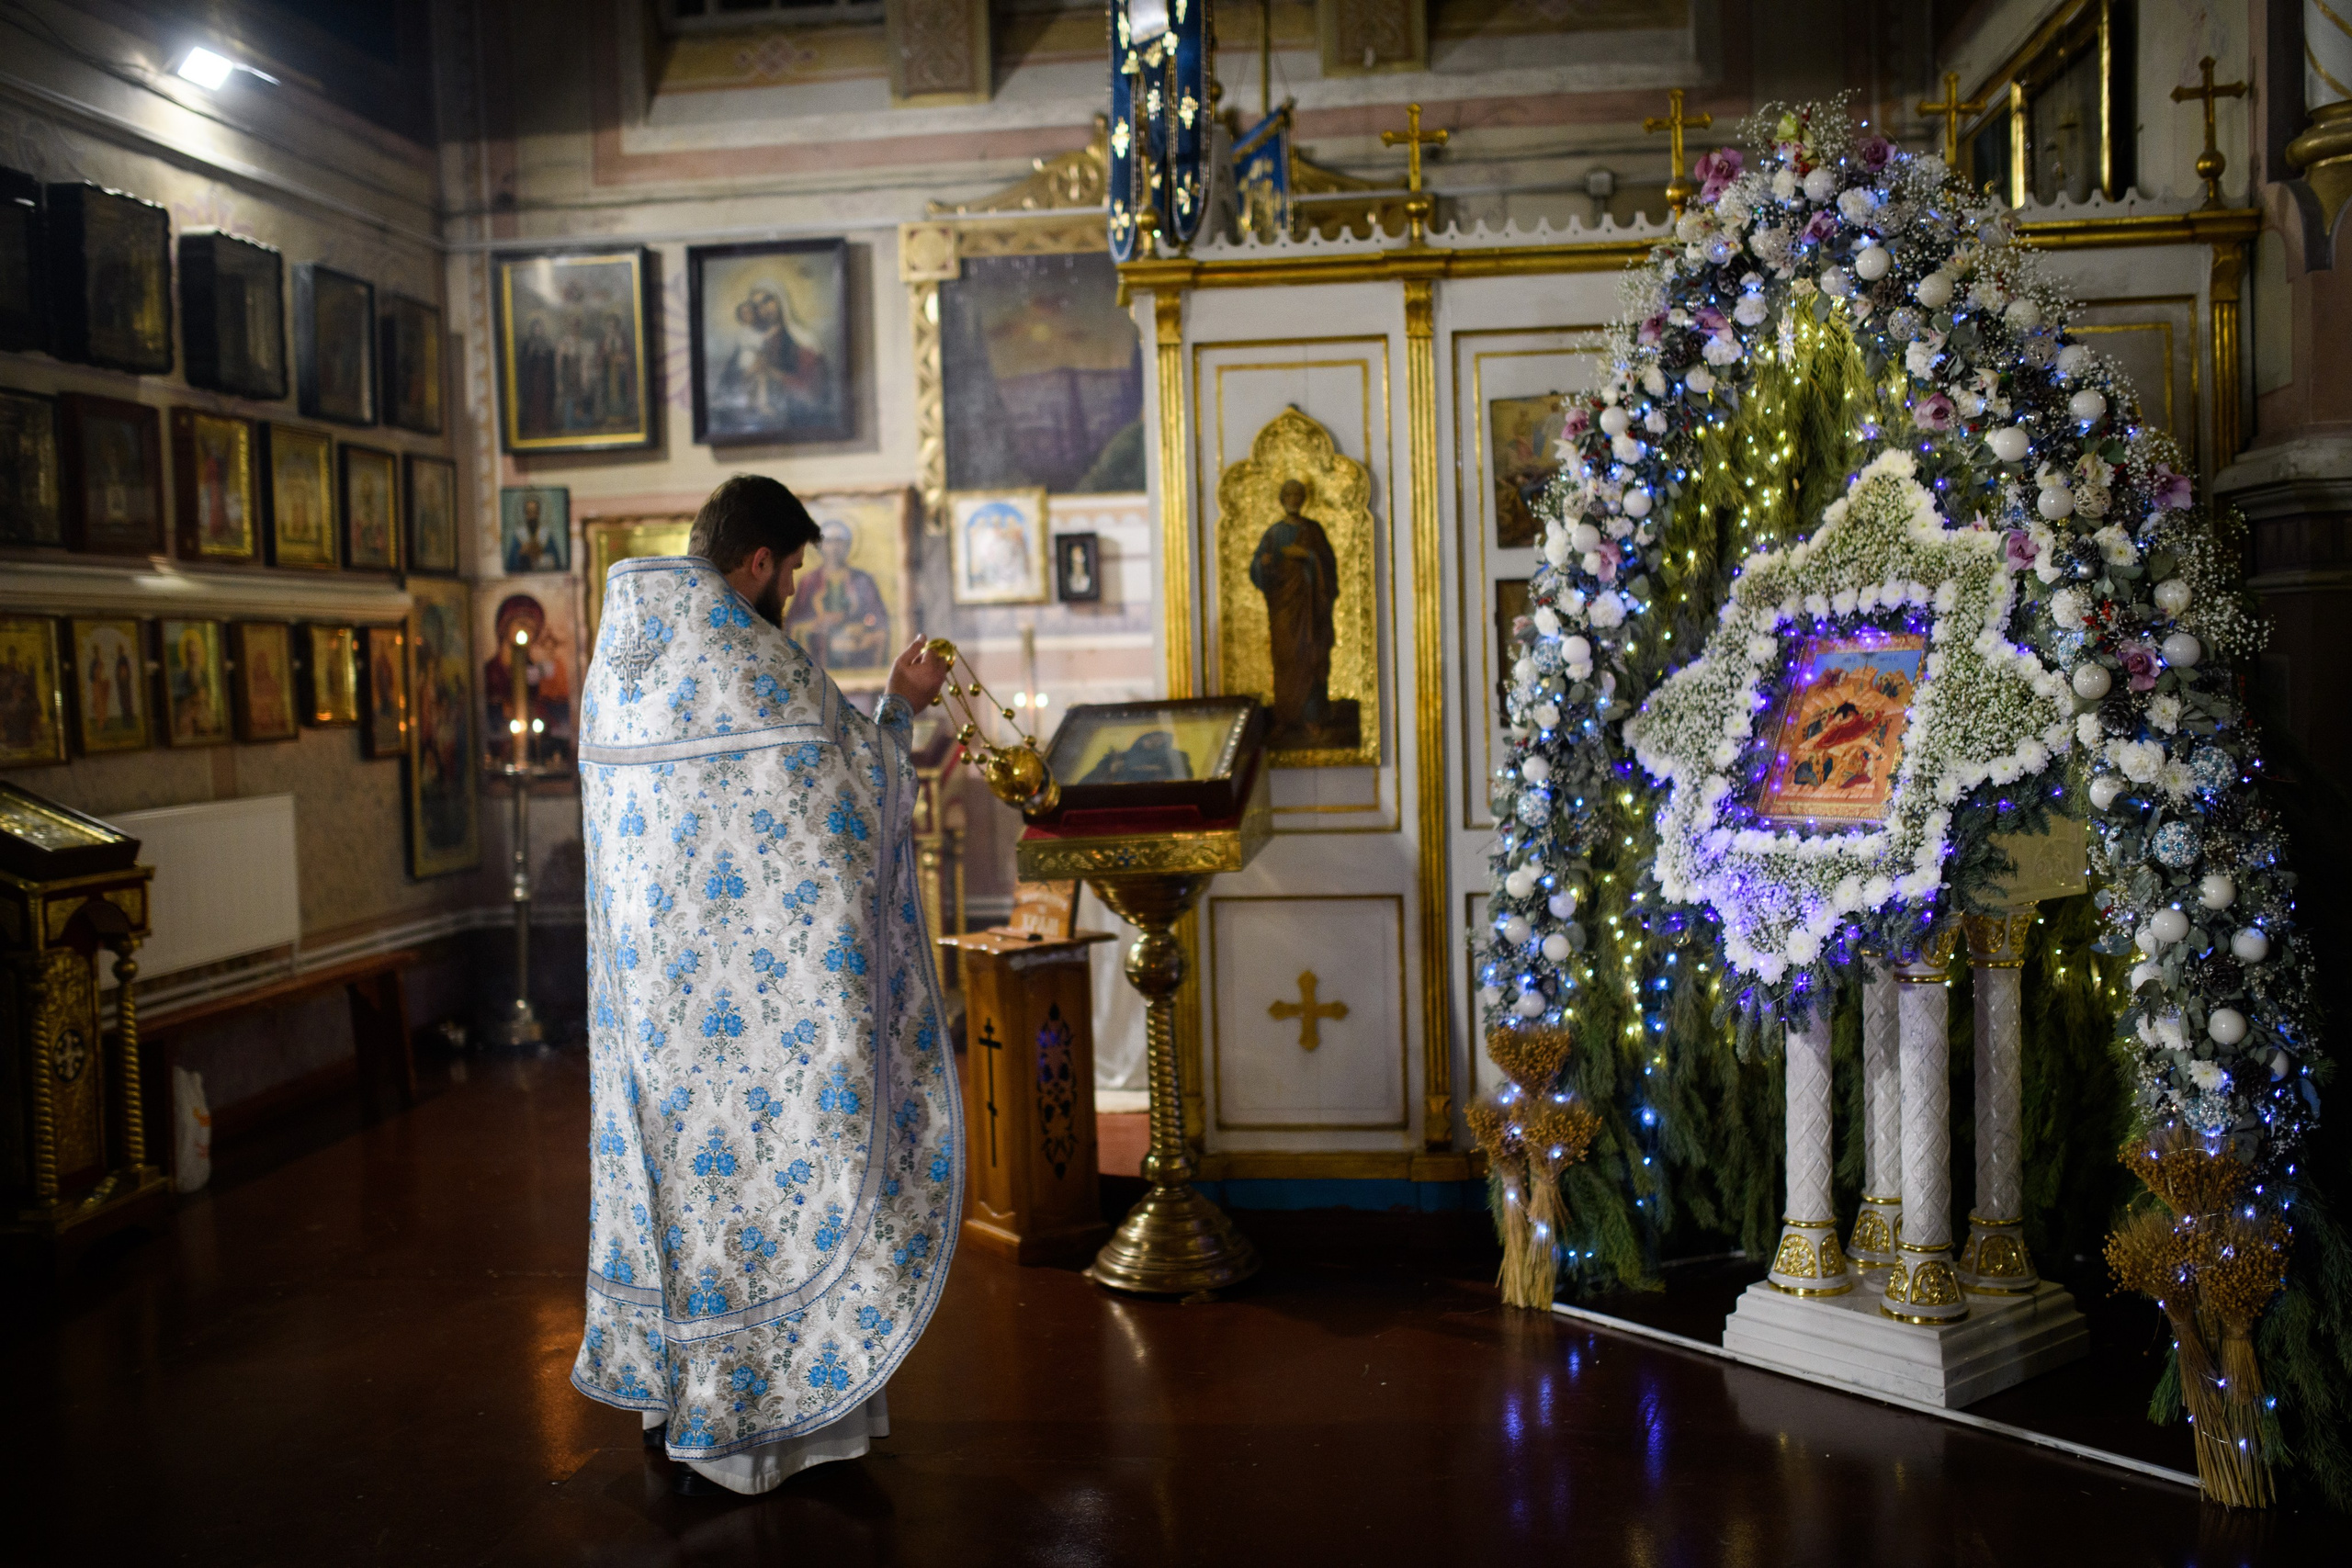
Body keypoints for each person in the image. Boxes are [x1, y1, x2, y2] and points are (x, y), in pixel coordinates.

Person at [571, 473, 957, 1500]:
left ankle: (674, 1400)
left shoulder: (623, 657)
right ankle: (768, 1434)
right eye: (787, 571)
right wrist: (901, 717)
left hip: (655, 1021)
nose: (788, 589)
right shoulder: (754, 658)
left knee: (675, 1198)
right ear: (758, 563)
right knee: (763, 1193)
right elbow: (850, 797)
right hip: (752, 1036)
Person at [1250, 479, 1347, 749]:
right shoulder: (1273, 533)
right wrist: (1263, 565)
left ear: (1303, 499)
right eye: (1288, 494)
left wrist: (1307, 555)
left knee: (1310, 654)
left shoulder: (1313, 530)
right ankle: (1285, 717)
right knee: (1285, 658)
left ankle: (1312, 717)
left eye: (1297, 494)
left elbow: (1328, 566)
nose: (1293, 498)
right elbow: (1258, 568)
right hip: (1283, 609)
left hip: (1310, 608)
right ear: (1282, 498)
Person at [781, 518, 888, 671]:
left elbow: (878, 619)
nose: (834, 547)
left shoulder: (863, 580)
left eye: (839, 541)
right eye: (829, 541)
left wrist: (861, 626)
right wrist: (818, 622)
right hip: (818, 649)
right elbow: (793, 622)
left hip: (855, 647)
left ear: (848, 545)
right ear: (820, 546)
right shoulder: (809, 581)